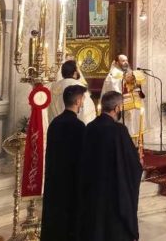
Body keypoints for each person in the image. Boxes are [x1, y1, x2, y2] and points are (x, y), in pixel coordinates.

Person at [78, 92, 143, 241]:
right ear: (117, 108)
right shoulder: (119, 130)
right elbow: (132, 164)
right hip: (114, 192)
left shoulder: (90, 127)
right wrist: (138, 161)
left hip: (94, 189)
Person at [41, 85, 87, 241]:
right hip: (71, 182)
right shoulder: (78, 126)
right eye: (83, 99)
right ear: (78, 101)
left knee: (54, 222)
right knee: (69, 224)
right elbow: (82, 157)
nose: (83, 102)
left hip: (54, 181)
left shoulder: (55, 123)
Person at [102, 54, 144, 141]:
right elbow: (113, 91)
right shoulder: (113, 75)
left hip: (129, 105)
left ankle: (130, 142)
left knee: (129, 126)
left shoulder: (129, 73)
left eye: (126, 60)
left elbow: (132, 87)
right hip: (118, 108)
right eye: (123, 61)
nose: (126, 62)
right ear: (117, 63)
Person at [50, 60, 96, 125]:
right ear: (75, 73)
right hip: (74, 126)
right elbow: (87, 110)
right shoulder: (79, 86)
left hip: (56, 124)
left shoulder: (53, 87)